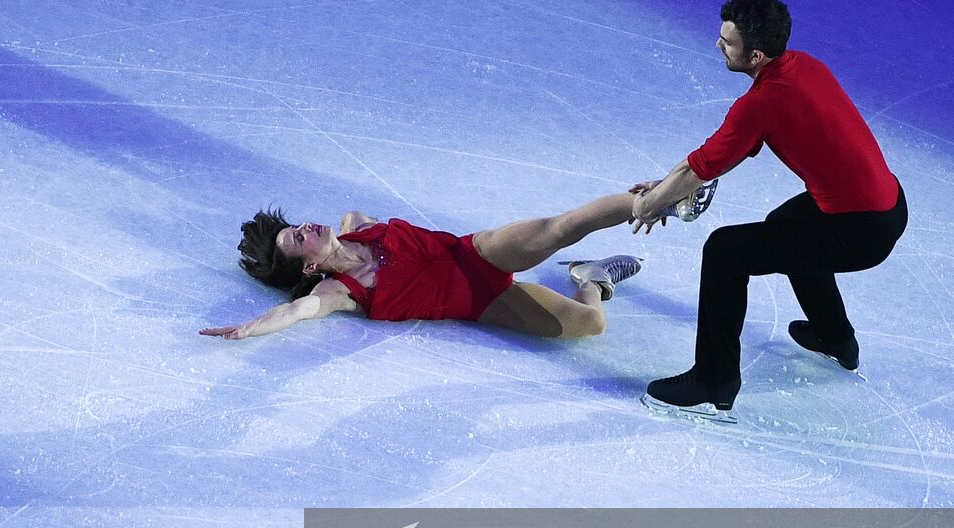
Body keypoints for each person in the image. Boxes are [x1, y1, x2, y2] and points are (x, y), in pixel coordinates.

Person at [633, 0, 907, 421]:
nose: (718, 46)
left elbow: (700, 169)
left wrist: (650, 205)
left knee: (725, 251)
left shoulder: (761, 103)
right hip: (888, 205)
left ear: (755, 55)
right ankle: (836, 338)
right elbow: (707, 159)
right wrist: (663, 187)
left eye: (727, 41)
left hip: (858, 231)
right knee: (787, 226)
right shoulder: (803, 66)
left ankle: (713, 382)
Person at [199, 185, 713, 342]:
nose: (307, 226)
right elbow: (296, 313)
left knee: (559, 228)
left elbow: (355, 223)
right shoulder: (337, 294)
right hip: (482, 301)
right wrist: (248, 329)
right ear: (308, 269)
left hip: (479, 252)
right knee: (590, 323)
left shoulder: (356, 222)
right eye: (298, 239)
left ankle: (661, 197)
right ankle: (594, 276)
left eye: (298, 224)